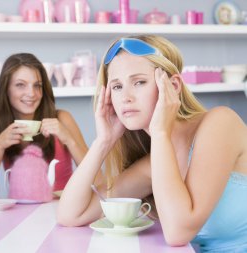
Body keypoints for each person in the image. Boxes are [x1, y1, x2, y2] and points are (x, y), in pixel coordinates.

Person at [57, 35, 247, 252]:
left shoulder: (220, 124)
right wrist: (104, 141)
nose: (125, 97)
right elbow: (70, 214)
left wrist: (159, 132)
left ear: (172, 86)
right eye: (117, 87)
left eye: (139, 82)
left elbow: (178, 232)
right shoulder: (154, 164)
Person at [0, 53, 88, 192]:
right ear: (5, 88)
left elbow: (97, 179)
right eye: (20, 85)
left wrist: (69, 140)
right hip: (22, 210)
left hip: (63, 208)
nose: (31, 93)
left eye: (37, 85)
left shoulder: (62, 118)